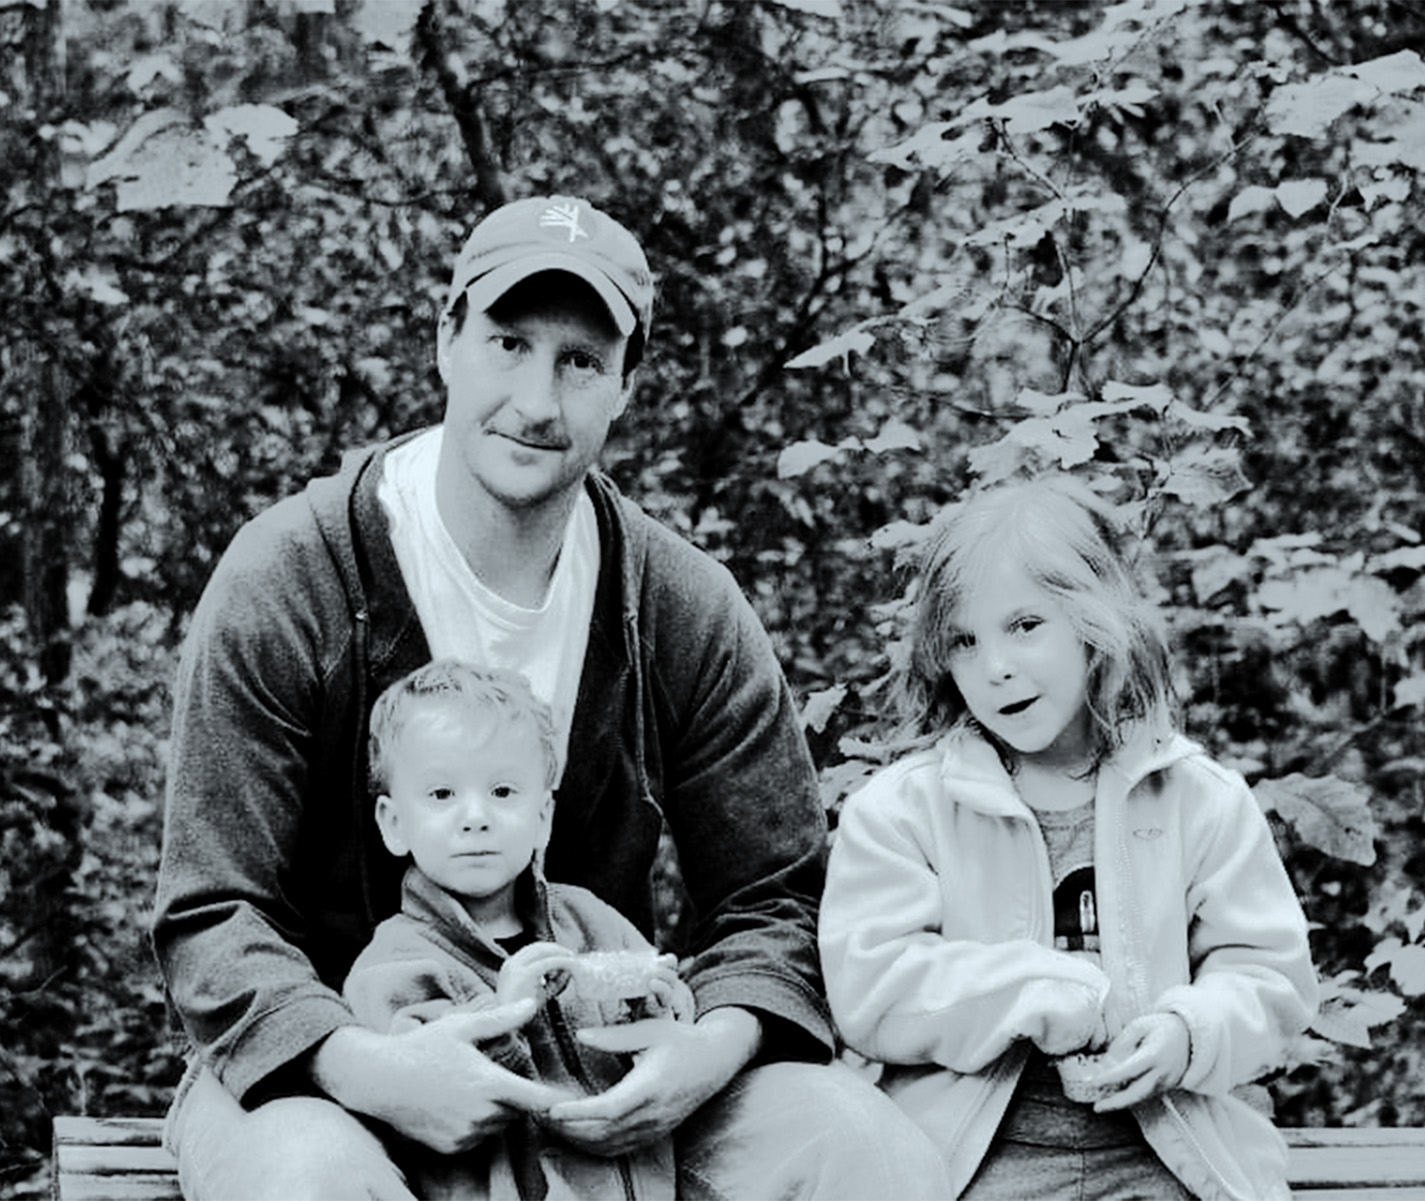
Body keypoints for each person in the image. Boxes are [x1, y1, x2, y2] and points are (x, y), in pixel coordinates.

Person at [152, 193, 949, 1200]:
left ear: (626, 383)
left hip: (607, 1084)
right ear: (445, 339)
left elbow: (774, 900)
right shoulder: (295, 578)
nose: (538, 400)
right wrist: (375, 1066)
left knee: (866, 1152)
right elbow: (215, 911)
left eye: (581, 360)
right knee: (309, 1182)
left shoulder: (678, 605)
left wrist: (702, 1050)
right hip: (331, 1075)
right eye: (509, 343)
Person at [818, 475, 1318, 1201]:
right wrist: (1035, 991)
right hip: (968, 1159)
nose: (996, 666)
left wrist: (1189, 1031)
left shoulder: (1195, 800)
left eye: (1025, 625)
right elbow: (873, 987)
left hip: (1165, 1146)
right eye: (965, 639)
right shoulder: (903, 811)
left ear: (1094, 622)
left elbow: (1269, 975)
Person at [343, 659, 690, 1200]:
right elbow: (421, 1110)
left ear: (543, 818)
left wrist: (662, 1009)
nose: (476, 816)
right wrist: (502, 1020)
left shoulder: (592, 921)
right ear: (393, 823)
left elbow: (658, 1052)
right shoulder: (394, 965)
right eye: (441, 795)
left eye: (504, 792)